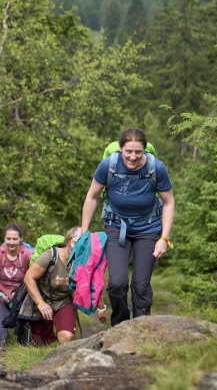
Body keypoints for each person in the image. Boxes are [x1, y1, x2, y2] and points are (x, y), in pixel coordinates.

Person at [80, 127, 175, 326]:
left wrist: (163, 238)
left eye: (138, 152)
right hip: (116, 227)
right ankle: (121, 326)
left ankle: (141, 328)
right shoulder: (109, 165)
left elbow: (168, 202)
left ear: (144, 151)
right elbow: (92, 196)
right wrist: (84, 231)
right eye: (128, 152)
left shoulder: (156, 168)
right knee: (117, 283)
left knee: (140, 285)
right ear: (120, 149)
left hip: (148, 229)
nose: (133, 157)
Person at [23, 226, 107, 345]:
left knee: (66, 337)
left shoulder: (84, 261)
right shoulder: (50, 256)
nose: (78, 247)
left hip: (64, 301)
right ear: (67, 242)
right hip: (43, 299)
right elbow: (28, 278)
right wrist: (40, 303)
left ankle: (64, 358)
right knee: (40, 343)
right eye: (74, 243)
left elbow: (94, 285)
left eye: (83, 244)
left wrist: (101, 309)